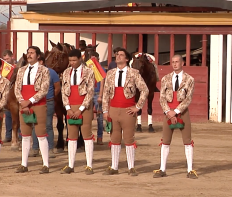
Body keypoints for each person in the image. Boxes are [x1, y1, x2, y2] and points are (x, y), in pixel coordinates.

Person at [102, 47, 149, 176]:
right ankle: (114, 167)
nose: (118, 56)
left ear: (127, 58)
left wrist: (138, 107)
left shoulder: (134, 72)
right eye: (117, 55)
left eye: (121, 55)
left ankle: (131, 167)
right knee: (115, 138)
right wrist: (105, 110)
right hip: (113, 109)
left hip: (128, 110)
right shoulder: (110, 73)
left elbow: (145, 90)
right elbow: (106, 93)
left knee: (129, 138)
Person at [153, 55, 197, 179]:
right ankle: (162, 169)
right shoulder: (165, 78)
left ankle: (190, 169)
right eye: (173, 62)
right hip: (168, 112)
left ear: (182, 63)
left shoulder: (189, 79)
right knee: (165, 141)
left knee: (187, 141)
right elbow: (161, 97)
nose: (175, 64)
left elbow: (188, 98)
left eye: (177, 62)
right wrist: (168, 111)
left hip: (182, 112)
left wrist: (176, 111)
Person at [14, 46, 50, 174]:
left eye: (32, 53)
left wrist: (29, 101)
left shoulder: (44, 70)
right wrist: (21, 102)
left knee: (41, 134)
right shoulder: (21, 70)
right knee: (25, 135)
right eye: (28, 53)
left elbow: (44, 89)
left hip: (38, 104)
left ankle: (46, 164)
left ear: (38, 56)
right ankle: (24, 164)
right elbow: (17, 88)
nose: (29, 55)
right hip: (23, 104)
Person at [60, 49, 95, 175]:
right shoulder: (66, 72)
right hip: (70, 107)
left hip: (84, 107)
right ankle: (70, 165)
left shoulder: (89, 72)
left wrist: (80, 109)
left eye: (74, 60)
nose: (72, 63)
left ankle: (89, 165)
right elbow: (64, 91)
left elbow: (90, 92)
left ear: (80, 59)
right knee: (71, 136)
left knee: (87, 135)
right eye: (70, 60)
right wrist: (68, 108)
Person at [30, 52, 60, 158]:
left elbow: (57, 87)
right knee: (35, 125)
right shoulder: (32, 72)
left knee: (48, 125)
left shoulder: (51, 72)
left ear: (41, 61)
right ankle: (35, 148)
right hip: (35, 102)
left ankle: (50, 148)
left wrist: (51, 96)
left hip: (48, 102)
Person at [2, 49, 17, 142]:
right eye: (5, 59)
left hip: (16, 93)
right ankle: (8, 135)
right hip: (8, 93)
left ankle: (18, 134)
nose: (6, 61)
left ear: (12, 57)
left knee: (18, 116)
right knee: (8, 115)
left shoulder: (17, 67)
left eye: (7, 59)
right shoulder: (4, 68)